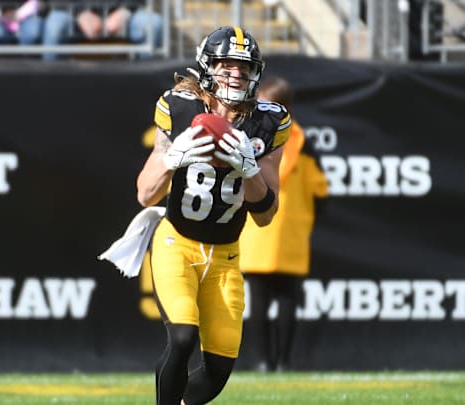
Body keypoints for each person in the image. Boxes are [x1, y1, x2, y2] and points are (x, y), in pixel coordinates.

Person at [135, 26, 290, 404]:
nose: (236, 74)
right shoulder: (179, 107)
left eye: (244, 67)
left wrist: (249, 170)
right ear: (208, 67)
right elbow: (145, 193)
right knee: (183, 337)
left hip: (226, 254)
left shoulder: (269, 123)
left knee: (219, 368)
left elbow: (267, 213)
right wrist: (174, 159)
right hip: (178, 243)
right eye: (227, 64)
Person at [239, 76, 328, 373]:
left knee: (260, 304)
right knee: (288, 302)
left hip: (256, 231)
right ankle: (285, 363)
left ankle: (264, 362)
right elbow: (320, 189)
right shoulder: (305, 144)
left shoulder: (253, 137)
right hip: (291, 233)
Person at [40, 2, 162, 60]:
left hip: (122, 14)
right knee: (55, 25)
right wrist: (80, 14)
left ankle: (148, 98)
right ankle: (51, 91)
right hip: (73, 14)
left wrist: (125, 10)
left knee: (153, 24)